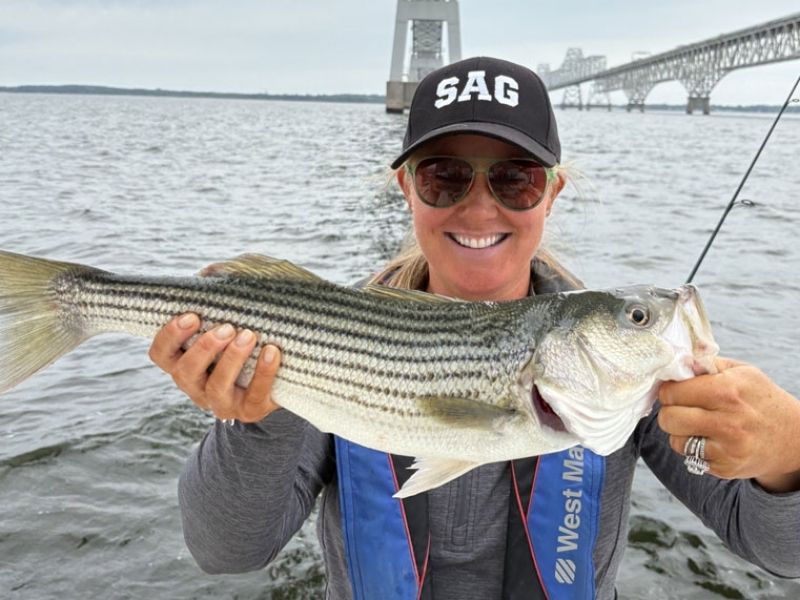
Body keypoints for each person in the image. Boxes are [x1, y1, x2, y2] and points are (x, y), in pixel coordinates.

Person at [148, 57, 800, 599]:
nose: (480, 205)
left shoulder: (630, 367)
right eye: (445, 176)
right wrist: (254, 414)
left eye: (515, 179)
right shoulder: (323, 339)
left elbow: (779, 550)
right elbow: (226, 549)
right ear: (405, 188)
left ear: (552, 193)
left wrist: (786, 453)